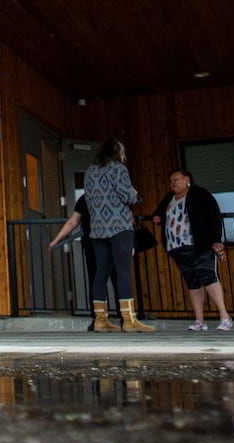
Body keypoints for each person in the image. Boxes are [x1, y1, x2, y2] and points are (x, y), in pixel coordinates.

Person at [82, 137, 154, 332]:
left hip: (98, 228)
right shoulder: (118, 169)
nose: (125, 157)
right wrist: (135, 193)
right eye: (123, 152)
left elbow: (88, 199)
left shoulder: (89, 171)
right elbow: (128, 196)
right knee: (122, 272)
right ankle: (129, 320)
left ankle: (100, 320)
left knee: (101, 273)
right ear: (116, 153)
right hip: (119, 227)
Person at [152, 169, 234, 331]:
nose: (173, 183)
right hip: (177, 247)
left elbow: (214, 215)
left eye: (176, 179)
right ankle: (199, 320)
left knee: (208, 277)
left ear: (186, 179)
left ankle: (225, 317)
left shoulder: (199, 194)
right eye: (171, 181)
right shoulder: (169, 198)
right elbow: (160, 212)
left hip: (199, 245)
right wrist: (157, 216)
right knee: (192, 281)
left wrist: (217, 239)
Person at [47, 194, 120, 331]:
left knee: (114, 278)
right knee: (100, 279)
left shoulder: (109, 194)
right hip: (95, 243)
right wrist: (56, 240)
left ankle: (120, 317)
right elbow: (73, 221)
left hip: (109, 242)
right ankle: (100, 318)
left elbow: (73, 221)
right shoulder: (87, 198)